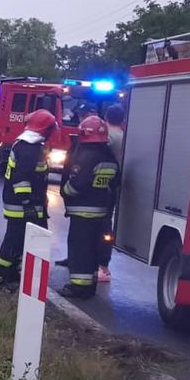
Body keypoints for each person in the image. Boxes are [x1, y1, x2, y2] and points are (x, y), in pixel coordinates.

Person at [0, 109, 56, 291]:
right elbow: (22, 179)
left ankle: (10, 274)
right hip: (23, 206)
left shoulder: (26, 145)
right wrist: (28, 204)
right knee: (14, 241)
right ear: (44, 129)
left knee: (17, 241)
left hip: (23, 204)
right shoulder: (29, 149)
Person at [59, 116, 121, 299]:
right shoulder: (109, 157)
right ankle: (90, 286)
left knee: (80, 250)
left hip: (82, 213)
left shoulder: (86, 157)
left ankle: (78, 288)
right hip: (101, 213)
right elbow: (114, 182)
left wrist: (65, 191)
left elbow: (76, 184)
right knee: (93, 250)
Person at [97, 104, 126, 283]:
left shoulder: (106, 138)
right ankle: (104, 266)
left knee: (97, 225)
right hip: (116, 186)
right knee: (106, 225)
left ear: (106, 117)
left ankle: (98, 265)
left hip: (102, 187)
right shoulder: (124, 137)